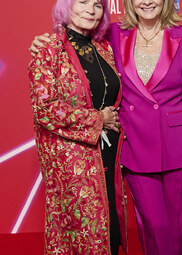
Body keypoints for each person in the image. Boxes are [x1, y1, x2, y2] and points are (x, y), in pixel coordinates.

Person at [28, 0, 127, 254]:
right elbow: (45, 109)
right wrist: (98, 119)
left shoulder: (104, 48)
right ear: (67, 7)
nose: (91, 10)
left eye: (97, 5)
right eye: (82, 2)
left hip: (108, 158)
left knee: (111, 233)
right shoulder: (48, 49)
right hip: (73, 168)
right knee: (82, 238)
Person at [109, 1, 182, 255]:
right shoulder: (113, 34)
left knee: (179, 227)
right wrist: (50, 40)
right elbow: (75, 36)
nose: (147, 1)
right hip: (135, 145)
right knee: (153, 227)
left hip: (178, 145)